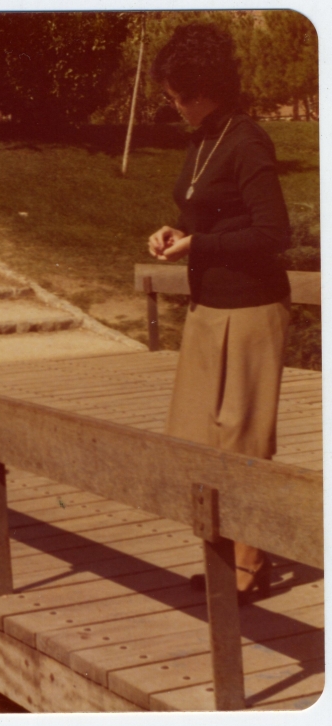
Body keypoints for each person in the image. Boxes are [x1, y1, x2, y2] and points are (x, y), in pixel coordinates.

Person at [147, 23, 291, 605]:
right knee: (199, 438)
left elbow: (272, 233)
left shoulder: (248, 140)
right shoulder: (203, 138)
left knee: (243, 442)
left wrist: (198, 246)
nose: (175, 106)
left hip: (253, 311)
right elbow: (213, 216)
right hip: (209, 308)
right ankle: (227, 554)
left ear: (208, 91)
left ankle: (250, 565)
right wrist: (177, 232)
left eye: (181, 96)